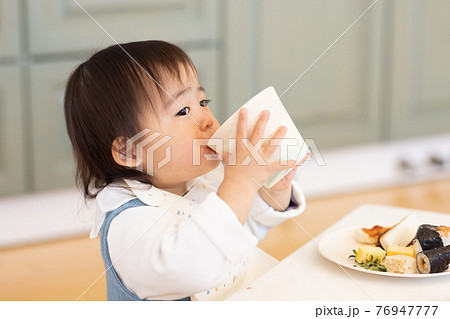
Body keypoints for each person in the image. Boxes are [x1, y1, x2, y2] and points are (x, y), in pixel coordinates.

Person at [64, 40, 308, 301]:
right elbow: (193, 267)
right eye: (183, 111)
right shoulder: (129, 225)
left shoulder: (202, 183)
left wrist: (273, 186)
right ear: (129, 151)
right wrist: (241, 182)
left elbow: (245, 225)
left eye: (203, 102)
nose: (207, 121)